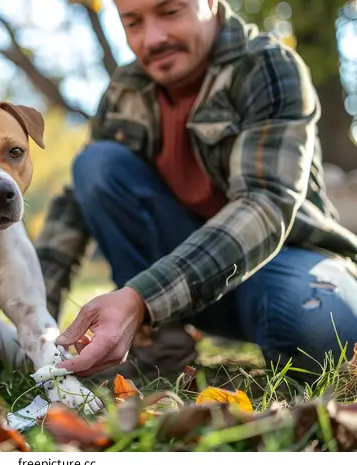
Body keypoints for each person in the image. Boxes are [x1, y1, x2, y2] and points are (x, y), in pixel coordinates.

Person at [33, 0, 357, 384]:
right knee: (96, 164)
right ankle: (162, 345)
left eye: (170, 12)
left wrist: (140, 298)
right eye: (133, 22)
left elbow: (266, 206)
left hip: (278, 260)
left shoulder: (267, 67)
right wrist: (34, 325)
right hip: (175, 285)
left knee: (324, 335)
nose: (152, 38)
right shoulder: (125, 89)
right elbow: (74, 208)